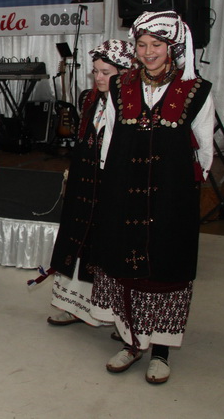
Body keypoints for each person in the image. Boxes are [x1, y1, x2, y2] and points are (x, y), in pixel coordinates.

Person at [90, 11, 215, 385]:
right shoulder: (120, 85)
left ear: (172, 47)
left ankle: (160, 351)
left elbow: (205, 144)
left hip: (170, 194)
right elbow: (111, 135)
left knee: (165, 265)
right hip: (123, 188)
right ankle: (131, 342)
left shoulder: (195, 89)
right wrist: (106, 178)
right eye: (142, 45)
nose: (148, 52)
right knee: (125, 261)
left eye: (156, 45)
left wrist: (191, 186)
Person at [45, 40, 134, 326]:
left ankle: (112, 313)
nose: (98, 77)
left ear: (125, 73)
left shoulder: (134, 105)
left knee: (105, 247)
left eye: (106, 72)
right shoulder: (89, 98)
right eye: (95, 71)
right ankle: (76, 306)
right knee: (78, 243)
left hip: (113, 187)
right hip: (85, 181)